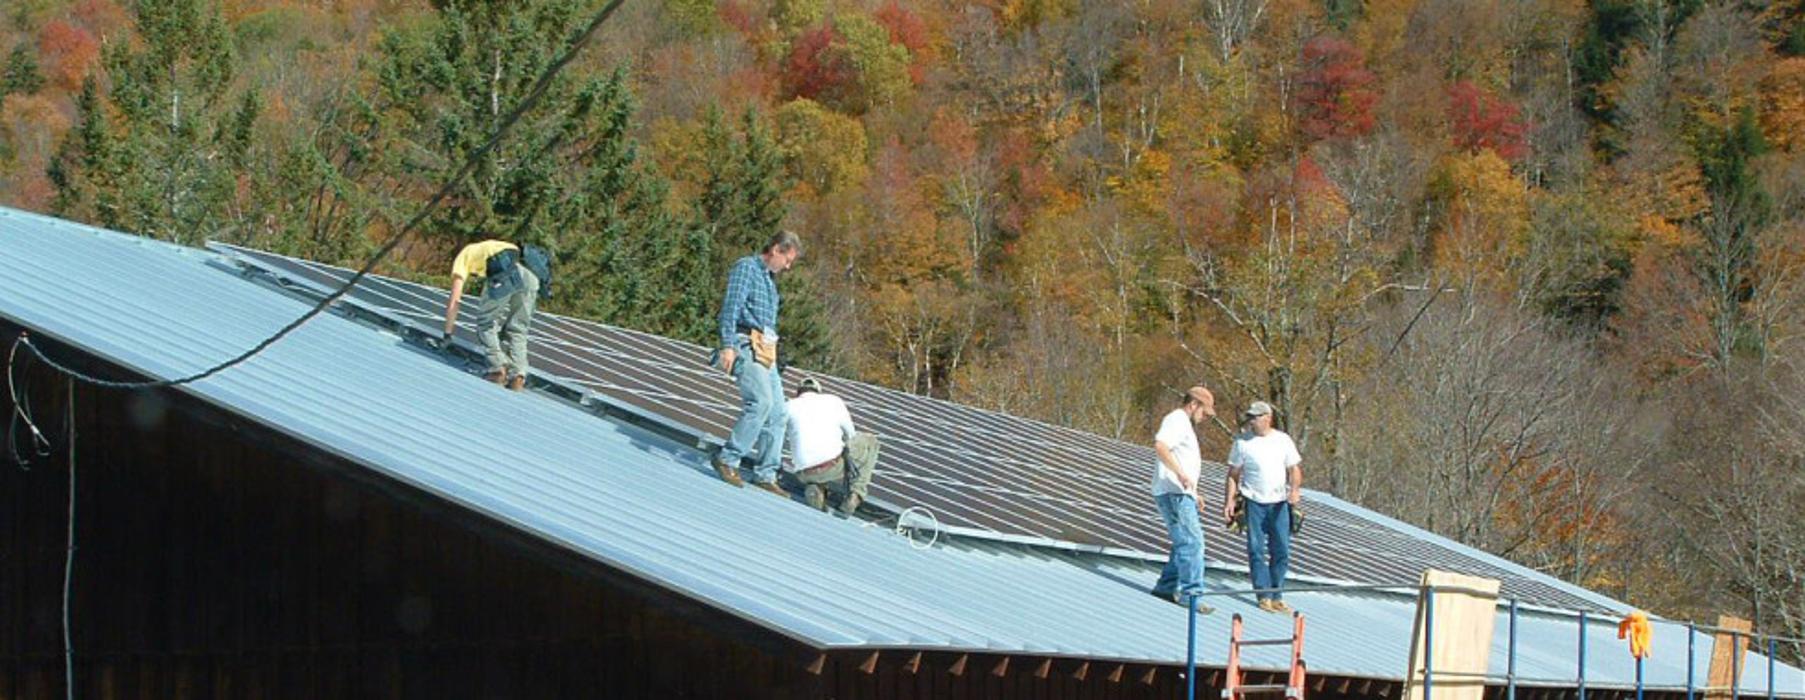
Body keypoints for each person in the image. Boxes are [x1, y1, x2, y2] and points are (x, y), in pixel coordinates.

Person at [711, 231, 801, 495]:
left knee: (778, 412)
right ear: (775, 249)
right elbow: (731, 307)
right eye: (787, 259)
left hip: (765, 349)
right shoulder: (747, 268)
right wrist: (728, 345)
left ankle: (766, 474)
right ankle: (728, 458)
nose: (788, 266)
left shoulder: (770, 282)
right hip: (745, 342)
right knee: (760, 402)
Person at [1224, 401, 1303, 613]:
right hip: (1253, 501)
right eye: (1250, 417)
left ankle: (1277, 594)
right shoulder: (1242, 442)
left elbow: (1294, 469)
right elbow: (1233, 474)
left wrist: (1294, 490)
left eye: (1256, 417)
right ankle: (1263, 594)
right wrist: (1230, 501)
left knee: (1281, 549)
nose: (1252, 421)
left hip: (1279, 503)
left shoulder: (1282, 440)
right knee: (1256, 549)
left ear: (1268, 418)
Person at [1150, 385, 1217, 614]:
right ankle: (1191, 594)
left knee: (1183, 542)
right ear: (1194, 404)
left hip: (1181, 492)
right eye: (1204, 412)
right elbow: (1161, 446)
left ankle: (1166, 587)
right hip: (1175, 492)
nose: (1205, 417)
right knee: (1193, 542)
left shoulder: (1183, 424)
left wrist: (1194, 493)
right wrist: (1179, 474)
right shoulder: (1177, 420)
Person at [442, 239, 540, 391]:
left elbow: (455, 300)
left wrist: (447, 334)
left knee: (486, 322)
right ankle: (518, 376)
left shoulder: (463, 257)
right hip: (531, 277)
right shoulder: (488, 247)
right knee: (518, 329)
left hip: (505, 270)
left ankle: (497, 369)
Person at [781, 376, 879, 515]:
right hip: (831, 466)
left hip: (803, 473)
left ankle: (816, 488)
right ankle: (855, 495)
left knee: (818, 458)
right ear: (818, 391)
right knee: (870, 442)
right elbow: (851, 434)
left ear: (798, 393)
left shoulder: (788, 406)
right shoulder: (833, 401)